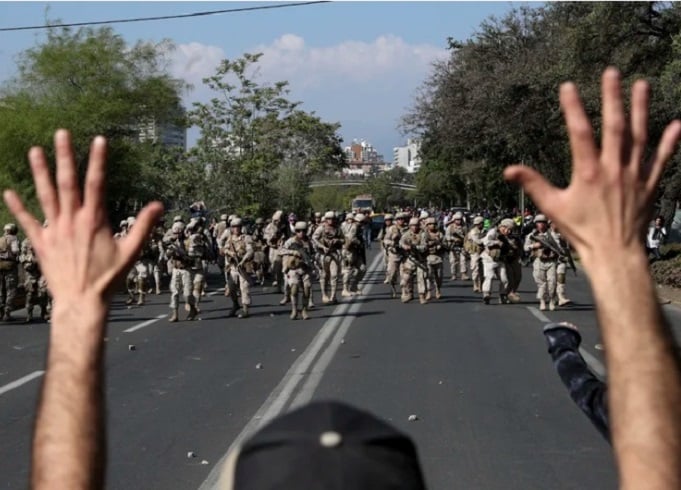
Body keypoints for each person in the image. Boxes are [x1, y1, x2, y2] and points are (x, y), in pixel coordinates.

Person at [18, 67, 681, 489]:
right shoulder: (256, 233)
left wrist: (76, 312)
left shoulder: (388, 230)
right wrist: (621, 261)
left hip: (340, 265)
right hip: (279, 268)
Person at [504, 68, 681, 489]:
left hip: (558, 271)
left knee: (553, 287)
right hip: (534, 263)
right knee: (541, 285)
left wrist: (615, 258)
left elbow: (647, 434)